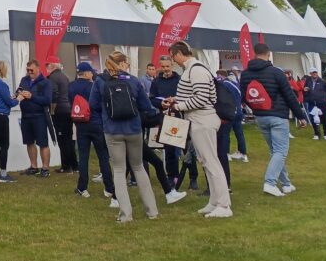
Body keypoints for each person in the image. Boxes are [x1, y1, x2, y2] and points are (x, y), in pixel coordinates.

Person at [162, 40, 232, 219]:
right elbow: (196, 95)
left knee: (211, 162)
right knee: (207, 162)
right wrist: (177, 100)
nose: (173, 61)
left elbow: (201, 99)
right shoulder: (192, 69)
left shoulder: (197, 70)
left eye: (173, 57)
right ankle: (215, 202)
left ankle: (224, 205)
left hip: (203, 120)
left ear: (179, 54)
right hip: (198, 120)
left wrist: (179, 106)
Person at [88, 51, 159, 223]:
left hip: (112, 130)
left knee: (119, 170)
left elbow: (93, 105)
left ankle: (126, 214)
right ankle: (152, 211)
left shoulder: (100, 82)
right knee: (139, 167)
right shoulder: (133, 81)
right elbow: (145, 105)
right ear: (123, 63)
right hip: (133, 129)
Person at [240, 42, 308, 196]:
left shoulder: (245, 74)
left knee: (275, 152)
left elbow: (244, 96)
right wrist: (300, 116)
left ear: (254, 53)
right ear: (268, 54)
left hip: (260, 116)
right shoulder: (276, 72)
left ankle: (286, 184)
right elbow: (289, 96)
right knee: (280, 151)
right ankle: (270, 183)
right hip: (278, 115)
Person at [68, 62, 114, 199]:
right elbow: (101, 104)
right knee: (103, 156)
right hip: (96, 123)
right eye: (91, 72)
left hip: (81, 124)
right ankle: (109, 188)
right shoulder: (94, 85)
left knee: (83, 157)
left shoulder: (71, 86)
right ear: (87, 73)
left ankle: (82, 188)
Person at [149, 55, 182, 185]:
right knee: (169, 149)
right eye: (163, 67)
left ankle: (192, 177)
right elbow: (152, 98)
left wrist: (175, 99)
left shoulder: (179, 79)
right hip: (164, 116)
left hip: (180, 116)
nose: (165, 69)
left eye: (167, 66)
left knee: (185, 149)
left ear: (172, 65)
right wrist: (161, 103)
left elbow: (185, 95)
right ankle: (171, 175)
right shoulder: (156, 81)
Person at [17, 59, 53, 177]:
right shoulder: (24, 79)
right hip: (26, 116)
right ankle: (33, 166)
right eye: (27, 70)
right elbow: (19, 89)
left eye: (31, 70)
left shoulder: (45, 82)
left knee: (43, 143)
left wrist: (32, 96)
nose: (29, 72)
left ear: (38, 69)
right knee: (29, 142)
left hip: (39, 116)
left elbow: (47, 100)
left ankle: (45, 168)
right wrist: (18, 93)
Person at [46, 57, 77, 173]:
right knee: (69, 138)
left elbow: (54, 94)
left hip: (59, 111)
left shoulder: (53, 78)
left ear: (52, 66)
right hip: (67, 109)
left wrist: (52, 110)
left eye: (48, 65)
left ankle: (66, 166)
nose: (46, 68)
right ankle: (74, 165)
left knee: (62, 139)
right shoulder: (64, 76)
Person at [302, 68, 326, 140]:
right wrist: (306, 93)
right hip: (312, 103)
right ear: (310, 74)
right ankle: (316, 134)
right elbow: (305, 90)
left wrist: (325, 97)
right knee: (313, 119)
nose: (314, 74)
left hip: (321, 103)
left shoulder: (322, 81)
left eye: (315, 72)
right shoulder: (308, 81)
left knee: (324, 118)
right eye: (313, 72)